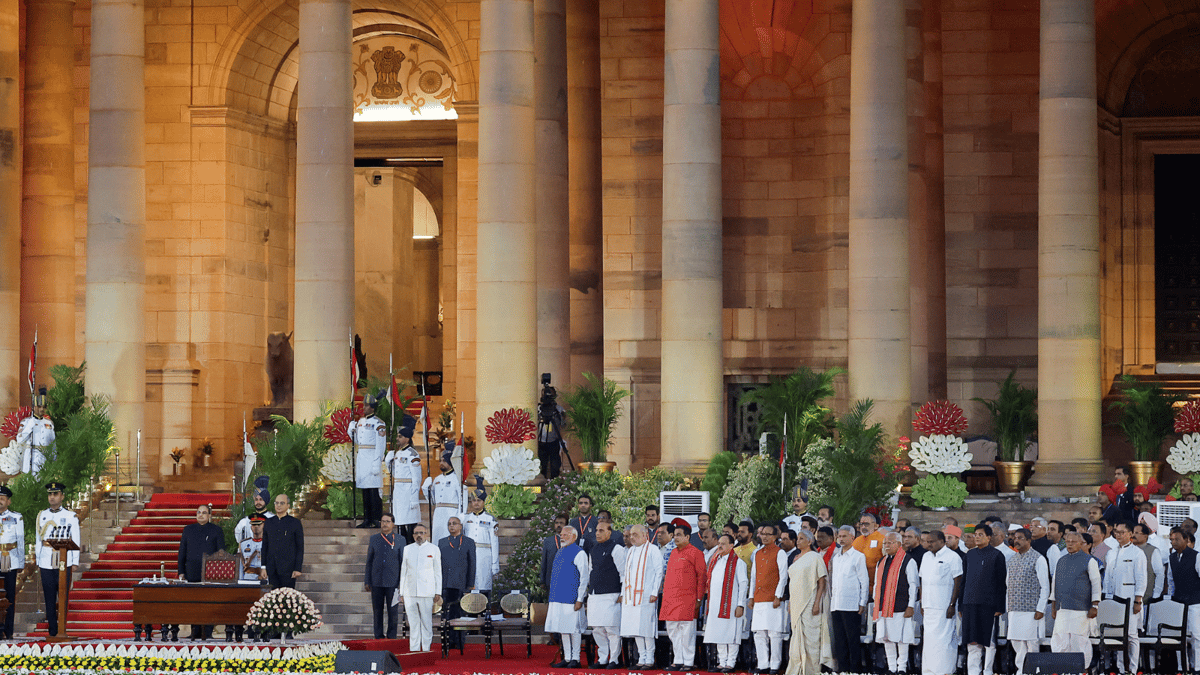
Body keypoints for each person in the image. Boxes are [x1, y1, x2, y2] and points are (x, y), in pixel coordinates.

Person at [661, 520, 707, 671]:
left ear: (688, 537)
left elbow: (702, 578)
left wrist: (699, 598)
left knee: (687, 632)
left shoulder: (696, 553)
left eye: (679, 535)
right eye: (674, 535)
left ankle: (688, 661)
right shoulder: (673, 553)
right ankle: (678, 660)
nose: (675, 538)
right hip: (671, 599)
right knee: (672, 631)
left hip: (688, 599)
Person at [1049, 531, 1101, 662]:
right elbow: (1055, 584)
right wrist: (1054, 606)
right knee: (1060, 639)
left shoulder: (1090, 560)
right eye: (1068, 542)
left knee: (1079, 641)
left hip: (1081, 609)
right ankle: (1062, 668)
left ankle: (1081, 668)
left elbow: (1096, 584)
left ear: (1080, 543)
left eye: (1073, 542)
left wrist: (1095, 605)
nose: (1070, 544)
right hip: (1062, 608)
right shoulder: (1061, 560)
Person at [962, 523, 1006, 675]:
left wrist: (1000, 606)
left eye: (981, 534)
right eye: (975, 534)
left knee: (989, 642)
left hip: (988, 605)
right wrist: (962, 605)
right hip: (970, 604)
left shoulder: (997, 555)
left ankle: (987, 671)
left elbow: (1001, 583)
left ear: (989, 537)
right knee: (972, 641)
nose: (977, 537)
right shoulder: (969, 554)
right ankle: (973, 671)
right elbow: (964, 581)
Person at [36, 482, 79, 638]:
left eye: (55, 494)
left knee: (63, 596)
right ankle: (52, 630)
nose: (52, 497)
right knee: (48, 597)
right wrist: (38, 559)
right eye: (50, 494)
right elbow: (38, 539)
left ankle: (62, 628)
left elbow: (76, 538)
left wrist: (74, 561)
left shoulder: (70, 516)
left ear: (62, 496)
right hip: (46, 559)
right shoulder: (42, 515)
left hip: (63, 560)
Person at [177, 503, 225, 639]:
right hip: (191, 571)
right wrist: (181, 571)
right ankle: (195, 631)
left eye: (204, 513)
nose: (201, 515)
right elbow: (182, 552)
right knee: (194, 603)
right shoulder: (188, 530)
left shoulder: (216, 530)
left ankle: (208, 632)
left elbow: (221, 552)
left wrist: (218, 571)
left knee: (208, 603)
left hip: (210, 573)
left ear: (209, 515)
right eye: (199, 512)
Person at [785, 529, 829, 675]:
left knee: (811, 639)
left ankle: (811, 671)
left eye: (802, 538)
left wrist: (817, 603)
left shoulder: (815, 557)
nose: (798, 541)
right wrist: (791, 602)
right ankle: (797, 669)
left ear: (810, 541)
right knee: (796, 637)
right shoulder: (796, 558)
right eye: (797, 538)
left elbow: (821, 581)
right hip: (796, 602)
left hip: (810, 601)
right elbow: (793, 583)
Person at [1105, 520, 1147, 671]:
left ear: (1130, 534)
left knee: (1130, 634)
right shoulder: (1111, 552)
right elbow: (1107, 577)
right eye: (1116, 532)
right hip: (1113, 598)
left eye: (1122, 532)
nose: (1119, 535)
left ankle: (1133, 669)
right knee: (1116, 632)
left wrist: (1138, 600)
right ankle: (1120, 668)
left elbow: (1141, 578)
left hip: (1129, 597)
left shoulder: (1137, 553)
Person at [1005, 528, 1049, 675]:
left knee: (1031, 643)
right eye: (1015, 538)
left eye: (1020, 538)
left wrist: (1040, 609)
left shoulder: (1039, 558)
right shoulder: (1012, 559)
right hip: (1014, 608)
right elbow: (1008, 584)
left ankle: (1033, 671)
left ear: (1029, 541)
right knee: (1016, 642)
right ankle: (1021, 670)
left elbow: (1045, 587)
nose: (1016, 540)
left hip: (1031, 610)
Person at [620, 524, 664, 669]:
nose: (632, 537)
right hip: (631, 597)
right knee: (635, 629)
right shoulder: (631, 551)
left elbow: (659, 572)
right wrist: (623, 594)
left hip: (646, 596)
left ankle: (649, 659)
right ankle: (641, 658)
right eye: (631, 535)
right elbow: (626, 575)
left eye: (635, 535)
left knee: (646, 629)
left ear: (645, 535)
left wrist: (654, 592)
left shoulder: (653, 550)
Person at [919, 530, 962, 675]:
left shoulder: (952, 557)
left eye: (932, 541)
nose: (928, 544)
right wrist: (922, 602)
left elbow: (958, 581)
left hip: (944, 607)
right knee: (929, 641)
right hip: (928, 606)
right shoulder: (925, 556)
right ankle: (928, 671)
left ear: (942, 542)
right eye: (927, 541)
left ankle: (945, 671)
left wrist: (952, 605)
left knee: (944, 641)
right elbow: (922, 581)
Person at [874, 531, 918, 674]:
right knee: (887, 638)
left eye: (890, 543)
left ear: (899, 544)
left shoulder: (908, 560)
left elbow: (913, 585)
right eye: (885, 543)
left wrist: (911, 605)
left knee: (902, 639)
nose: (886, 545)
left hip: (901, 606)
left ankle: (902, 668)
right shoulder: (881, 561)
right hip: (883, 607)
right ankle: (892, 667)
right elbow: (876, 584)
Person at [547, 525, 590, 668]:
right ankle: (567, 657)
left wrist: (580, 599)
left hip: (572, 598)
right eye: (561, 534)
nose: (562, 536)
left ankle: (576, 659)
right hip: (557, 597)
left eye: (565, 534)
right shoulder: (560, 551)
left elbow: (584, 577)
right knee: (563, 628)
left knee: (574, 629)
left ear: (574, 536)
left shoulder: (579, 553)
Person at [705, 534, 748, 673]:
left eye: (723, 544)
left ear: (731, 546)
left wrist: (741, 604)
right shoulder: (715, 561)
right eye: (719, 543)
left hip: (732, 605)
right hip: (716, 605)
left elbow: (743, 585)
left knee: (731, 635)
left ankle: (730, 662)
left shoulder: (738, 563)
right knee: (719, 633)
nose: (720, 546)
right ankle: (721, 661)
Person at [828, 525, 868, 672]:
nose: (841, 539)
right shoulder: (836, 557)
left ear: (852, 537)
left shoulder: (858, 557)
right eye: (839, 536)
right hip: (836, 603)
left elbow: (864, 581)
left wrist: (862, 602)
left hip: (851, 604)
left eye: (844, 536)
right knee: (840, 640)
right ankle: (843, 669)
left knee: (852, 640)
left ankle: (855, 669)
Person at [588, 520, 626, 668]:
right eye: (597, 530)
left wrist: (623, 593)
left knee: (611, 629)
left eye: (601, 530)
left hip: (612, 594)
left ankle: (614, 659)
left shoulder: (617, 548)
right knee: (597, 628)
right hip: (595, 594)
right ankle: (602, 658)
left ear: (609, 532)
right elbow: (591, 570)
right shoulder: (593, 549)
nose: (598, 533)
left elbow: (623, 573)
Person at [400, 523, 442, 652]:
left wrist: (437, 591)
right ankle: (414, 650)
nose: (419, 535)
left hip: (427, 591)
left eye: (422, 533)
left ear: (427, 534)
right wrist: (401, 592)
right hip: (409, 591)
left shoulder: (434, 549)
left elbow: (437, 572)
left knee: (426, 622)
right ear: (413, 535)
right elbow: (403, 571)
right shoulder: (407, 549)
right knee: (413, 623)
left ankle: (425, 649)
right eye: (416, 533)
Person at [364, 513, 406, 640]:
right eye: (382, 521)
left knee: (393, 612)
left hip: (393, 582)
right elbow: (369, 561)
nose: (384, 524)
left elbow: (403, 562)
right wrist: (367, 580)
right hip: (376, 581)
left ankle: (391, 636)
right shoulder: (374, 539)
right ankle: (378, 636)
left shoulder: (400, 539)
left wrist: (402, 583)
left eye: (387, 521)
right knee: (377, 611)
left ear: (393, 524)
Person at [349, 392, 387, 528]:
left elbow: (381, 444)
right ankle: (367, 518)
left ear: (372, 408)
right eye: (364, 405)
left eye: (366, 405)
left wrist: (377, 462)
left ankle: (376, 519)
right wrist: (351, 430)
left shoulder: (379, 423)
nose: (363, 408)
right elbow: (357, 441)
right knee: (365, 490)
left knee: (374, 491)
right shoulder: (360, 422)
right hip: (362, 459)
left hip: (372, 458)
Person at [438, 515, 476, 649]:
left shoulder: (468, 542)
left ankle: (459, 641)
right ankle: (448, 641)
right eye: (449, 524)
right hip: (446, 583)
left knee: (459, 614)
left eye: (454, 523)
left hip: (461, 583)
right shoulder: (442, 542)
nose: (451, 526)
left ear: (460, 526)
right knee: (446, 614)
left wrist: (470, 584)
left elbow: (472, 564)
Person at [383, 414, 420, 541]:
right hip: (398, 492)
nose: (397, 439)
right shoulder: (398, 453)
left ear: (408, 439)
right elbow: (395, 474)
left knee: (410, 525)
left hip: (408, 493)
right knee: (399, 523)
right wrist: (388, 463)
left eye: (400, 436)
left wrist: (414, 498)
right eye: (398, 436)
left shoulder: (412, 455)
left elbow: (416, 479)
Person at [1167, 527, 1200, 666]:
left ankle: (1197, 665)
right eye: (1171, 540)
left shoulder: (1196, 556)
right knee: (1179, 635)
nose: (1173, 542)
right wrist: (1170, 598)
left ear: (1186, 540)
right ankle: (1183, 665)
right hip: (1178, 602)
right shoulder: (1172, 557)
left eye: (1177, 539)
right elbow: (1170, 580)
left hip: (1195, 601)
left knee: (1196, 635)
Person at [260, 493, 304, 590]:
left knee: (287, 598)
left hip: (288, 569)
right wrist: (263, 567)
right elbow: (265, 546)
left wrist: (297, 568)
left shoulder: (295, 523)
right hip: (272, 568)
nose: (279, 505)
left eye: (282, 503)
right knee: (274, 598)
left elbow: (300, 547)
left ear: (288, 506)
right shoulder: (269, 522)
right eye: (277, 503)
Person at [461, 485, 499, 594]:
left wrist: (495, 564)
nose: (476, 503)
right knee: (470, 583)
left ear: (483, 502)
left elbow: (494, 542)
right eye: (473, 501)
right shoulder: (465, 518)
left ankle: (485, 608)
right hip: (469, 553)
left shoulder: (490, 519)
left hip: (485, 554)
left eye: (479, 500)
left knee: (484, 583)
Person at [0, 485, 24, 639]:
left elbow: (20, 540)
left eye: (2, 499)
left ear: (8, 501)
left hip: (10, 559)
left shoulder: (16, 517)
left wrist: (21, 563)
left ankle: (8, 631)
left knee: (9, 597)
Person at [422, 451, 460, 542]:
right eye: (440, 461)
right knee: (437, 538)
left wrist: (460, 516)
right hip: (438, 514)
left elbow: (462, 500)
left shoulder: (457, 479)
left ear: (451, 463)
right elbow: (432, 500)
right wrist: (425, 489)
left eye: (444, 461)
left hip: (451, 512)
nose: (441, 463)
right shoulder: (437, 479)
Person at [17, 388, 53, 475]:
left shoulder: (49, 423)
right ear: (34, 407)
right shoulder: (26, 422)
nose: (41, 409)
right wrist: (30, 425)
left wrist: (53, 459)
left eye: (44, 407)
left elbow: (53, 443)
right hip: (31, 458)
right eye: (39, 406)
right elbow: (19, 439)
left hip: (45, 458)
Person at [234, 476, 274, 543]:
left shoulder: (273, 519)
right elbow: (240, 540)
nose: (258, 502)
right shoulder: (246, 521)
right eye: (256, 499)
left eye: (261, 499)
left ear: (266, 500)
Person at [1133, 521, 1166, 602]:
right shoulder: (1128, 550)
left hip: (1147, 598)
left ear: (1145, 536)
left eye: (1137, 533)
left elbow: (1160, 575)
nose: (1133, 535)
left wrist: (1156, 595)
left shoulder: (1153, 551)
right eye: (1132, 532)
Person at [853, 512, 885, 588]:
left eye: (866, 524)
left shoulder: (882, 540)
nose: (863, 527)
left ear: (876, 526)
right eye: (861, 524)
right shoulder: (857, 541)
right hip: (857, 585)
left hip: (875, 585)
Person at [541, 513, 569, 595]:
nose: (558, 525)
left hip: (567, 580)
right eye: (556, 523)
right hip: (551, 579)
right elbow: (544, 561)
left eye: (561, 523)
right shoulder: (548, 541)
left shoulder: (571, 540)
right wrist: (542, 581)